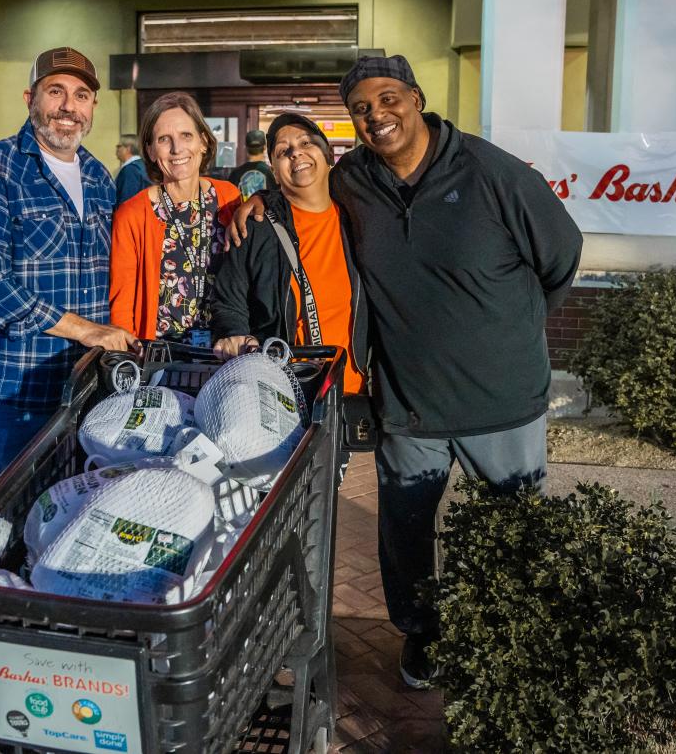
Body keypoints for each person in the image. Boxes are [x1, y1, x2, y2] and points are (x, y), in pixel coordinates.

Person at [230, 54, 583, 688]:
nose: (377, 115)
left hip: (501, 400)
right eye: (361, 109)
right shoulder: (356, 180)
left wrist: (511, 330)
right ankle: (423, 639)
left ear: (416, 99)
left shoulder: (491, 172)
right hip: (409, 403)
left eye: (388, 99)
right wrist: (254, 195)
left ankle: (514, 645)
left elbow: (561, 256)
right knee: (407, 539)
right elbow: (300, 189)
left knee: (517, 532)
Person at [0, 46, 136, 483]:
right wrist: (87, 329)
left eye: (81, 95)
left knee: (71, 507)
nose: (68, 107)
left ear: (93, 106)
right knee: (14, 518)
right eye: (55, 92)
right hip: (16, 388)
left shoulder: (96, 175)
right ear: (30, 98)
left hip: (85, 384)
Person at [209, 112, 365, 394]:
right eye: (283, 151)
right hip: (287, 394)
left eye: (306, 143)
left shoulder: (358, 219)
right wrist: (233, 334)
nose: (296, 154)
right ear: (274, 169)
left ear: (327, 154)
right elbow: (228, 299)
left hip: (358, 393)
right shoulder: (256, 227)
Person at [109, 92, 240, 344]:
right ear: (150, 150)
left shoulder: (229, 197)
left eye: (186, 136)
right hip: (162, 356)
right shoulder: (132, 215)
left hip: (225, 350)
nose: (177, 148)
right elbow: (122, 305)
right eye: (164, 139)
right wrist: (128, 359)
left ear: (203, 141)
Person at [227, 128, 277, 198]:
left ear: (246, 148)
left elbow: (229, 198)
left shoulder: (235, 174)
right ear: (265, 147)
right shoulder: (272, 173)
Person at [113, 133, 150, 206]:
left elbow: (126, 202)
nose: (117, 149)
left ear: (128, 148)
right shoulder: (142, 165)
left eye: (119, 146)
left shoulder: (130, 170)